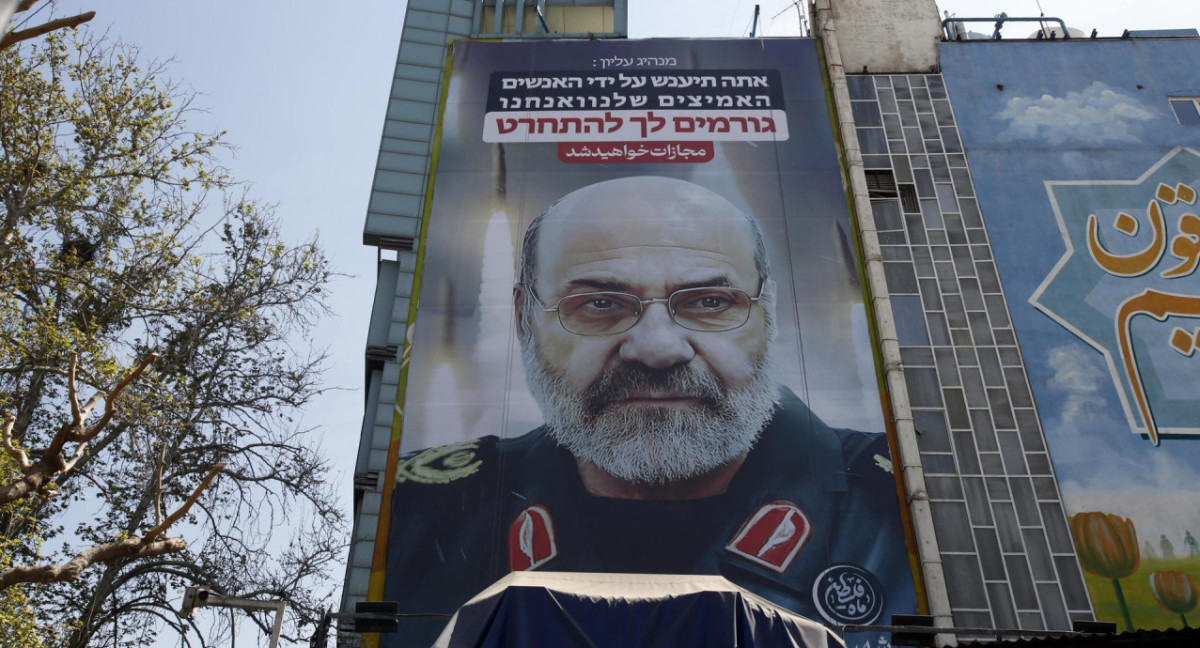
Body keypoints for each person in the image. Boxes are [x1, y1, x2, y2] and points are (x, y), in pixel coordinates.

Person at [383, 177, 915, 646]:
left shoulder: (907, 507)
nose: (658, 349)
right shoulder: (419, 519)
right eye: (599, 303)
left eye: (708, 301)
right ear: (525, 317)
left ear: (766, 311)